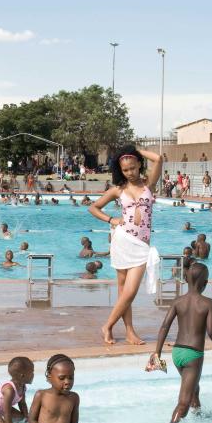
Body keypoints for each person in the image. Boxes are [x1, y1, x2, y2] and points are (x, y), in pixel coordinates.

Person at [88, 146, 163, 345]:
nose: (130, 172)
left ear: (139, 164)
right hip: (122, 240)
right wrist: (111, 219)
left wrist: (134, 149)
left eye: (133, 167)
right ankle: (129, 332)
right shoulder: (118, 190)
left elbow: (158, 158)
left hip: (141, 245)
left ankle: (108, 326)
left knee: (130, 292)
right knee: (124, 292)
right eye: (125, 170)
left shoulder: (149, 186)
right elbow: (93, 208)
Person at [150, 263, 212, 423]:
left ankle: (198, 413)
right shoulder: (208, 303)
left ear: (185, 280)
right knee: (183, 403)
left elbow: (164, 326)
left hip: (177, 353)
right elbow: (211, 331)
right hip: (193, 355)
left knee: (194, 386)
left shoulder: (178, 301)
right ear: (205, 283)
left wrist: (157, 353)